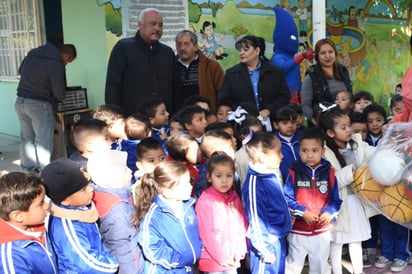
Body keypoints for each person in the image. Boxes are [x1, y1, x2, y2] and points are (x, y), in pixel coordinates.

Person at [320, 106, 375, 274]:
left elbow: (373, 153)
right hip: (339, 204)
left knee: (356, 241)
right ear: (330, 133)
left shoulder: (358, 143)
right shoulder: (325, 152)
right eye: (343, 128)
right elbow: (331, 181)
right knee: (336, 242)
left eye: (349, 125)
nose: (349, 130)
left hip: (356, 201)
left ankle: (358, 272)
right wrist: (351, 172)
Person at [41, 158, 119, 273]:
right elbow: (86, 264)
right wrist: (113, 265)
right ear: (65, 200)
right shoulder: (67, 226)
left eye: (89, 183)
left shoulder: (79, 208)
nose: (90, 189)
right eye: (83, 189)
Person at [283, 128, 342, 274]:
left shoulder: (330, 173)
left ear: (323, 151)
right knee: (293, 266)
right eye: (304, 150)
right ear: (299, 151)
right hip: (298, 231)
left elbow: (336, 200)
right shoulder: (293, 172)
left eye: (315, 150)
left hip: (321, 231)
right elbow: (287, 199)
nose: (309, 155)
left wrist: (330, 213)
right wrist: (302, 213)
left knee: (321, 266)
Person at [105, 8, 179, 116]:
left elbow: (176, 87)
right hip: (133, 121)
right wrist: (116, 119)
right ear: (140, 25)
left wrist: (176, 118)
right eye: (153, 24)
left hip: (164, 122)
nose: (157, 28)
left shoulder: (167, 53)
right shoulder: (124, 48)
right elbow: (113, 87)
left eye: (160, 25)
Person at [15, 43, 76, 172]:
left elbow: (20, 70)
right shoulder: (56, 63)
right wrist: (61, 98)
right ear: (66, 55)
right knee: (43, 141)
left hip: (20, 101)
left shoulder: (33, 53)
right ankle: (45, 173)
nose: (66, 64)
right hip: (38, 104)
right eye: (68, 61)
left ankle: (27, 172)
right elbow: (59, 92)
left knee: (27, 139)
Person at [135, 161, 202, 273]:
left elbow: (194, 234)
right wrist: (178, 260)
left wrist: (199, 249)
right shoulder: (154, 216)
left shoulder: (187, 206)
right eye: (185, 184)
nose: (190, 186)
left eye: (190, 181)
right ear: (167, 192)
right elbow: (152, 249)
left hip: (188, 269)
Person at [242, 131, 292, 274]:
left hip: (278, 239)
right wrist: (264, 250)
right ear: (263, 157)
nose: (282, 156)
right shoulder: (254, 184)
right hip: (267, 244)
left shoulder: (270, 173)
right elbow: (257, 221)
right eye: (278, 152)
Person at [88, 150, 144, 273]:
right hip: (130, 266)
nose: (130, 170)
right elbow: (120, 247)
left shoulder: (101, 194)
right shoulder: (117, 209)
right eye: (124, 169)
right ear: (113, 176)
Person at [218, 35, 290, 122]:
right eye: (240, 50)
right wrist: (242, 112)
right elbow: (224, 99)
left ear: (257, 50)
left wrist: (269, 110)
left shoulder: (275, 72)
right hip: (243, 123)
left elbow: (284, 97)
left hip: (271, 122)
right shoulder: (232, 74)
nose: (241, 53)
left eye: (245, 49)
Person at [195, 153, 247, 273]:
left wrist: (240, 250)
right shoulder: (206, 201)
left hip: (233, 258)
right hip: (213, 260)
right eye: (218, 176)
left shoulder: (235, 198)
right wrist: (221, 257)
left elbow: (241, 226)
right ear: (209, 177)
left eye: (229, 176)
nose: (224, 180)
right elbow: (206, 233)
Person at [0, 172, 56, 273]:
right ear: (18, 216)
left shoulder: (37, 225)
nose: (47, 205)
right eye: (41, 203)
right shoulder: (12, 257)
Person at [301, 38, 352, 126]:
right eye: (323, 53)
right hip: (322, 124)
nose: (327, 56)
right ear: (317, 56)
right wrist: (315, 120)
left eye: (330, 52)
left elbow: (350, 96)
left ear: (335, 53)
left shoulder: (343, 71)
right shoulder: (312, 75)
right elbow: (305, 105)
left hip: (343, 123)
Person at [175, 30, 224, 112]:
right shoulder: (171, 67)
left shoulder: (211, 67)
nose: (182, 48)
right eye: (179, 44)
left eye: (186, 44)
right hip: (179, 118)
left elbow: (222, 94)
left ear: (195, 46)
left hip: (205, 117)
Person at [273, 106, 300, 183]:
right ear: (276, 125)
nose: (290, 126)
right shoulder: (273, 143)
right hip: (285, 184)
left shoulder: (302, 139)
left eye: (293, 122)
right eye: (285, 123)